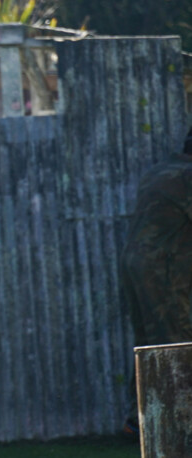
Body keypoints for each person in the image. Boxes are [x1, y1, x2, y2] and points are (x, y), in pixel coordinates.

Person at [120, 125, 192, 438]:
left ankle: (138, 420)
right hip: (164, 270)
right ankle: (178, 426)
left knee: (150, 344)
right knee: (176, 345)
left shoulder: (160, 170)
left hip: (136, 266)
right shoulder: (186, 176)